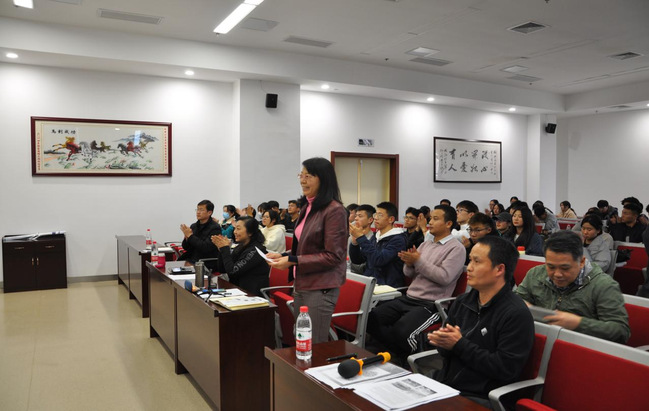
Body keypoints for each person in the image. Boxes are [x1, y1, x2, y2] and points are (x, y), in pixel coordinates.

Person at [428, 236, 534, 407]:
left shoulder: (516, 314)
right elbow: (445, 352)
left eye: (477, 262)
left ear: (499, 269)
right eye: (470, 260)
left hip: (481, 396)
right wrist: (443, 342)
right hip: (447, 385)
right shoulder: (463, 301)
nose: (469, 268)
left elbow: (506, 369)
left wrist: (459, 345)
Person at [268, 157, 347, 344]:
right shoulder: (308, 206)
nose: (302, 181)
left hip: (320, 287)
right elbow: (306, 246)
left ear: (323, 179)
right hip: (302, 282)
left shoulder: (334, 210)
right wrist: (284, 255)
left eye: (308, 176)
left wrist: (293, 261)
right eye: (301, 175)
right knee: (302, 337)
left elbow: (333, 256)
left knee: (314, 342)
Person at [367, 205, 465, 356]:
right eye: (430, 218)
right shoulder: (426, 244)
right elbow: (409, 273)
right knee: (372, 318)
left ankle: (409, 356)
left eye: (435, 219)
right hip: (409, 298)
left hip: (431, 304)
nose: (430, 222)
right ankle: (394, 352)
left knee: (401, 331)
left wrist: (418, 261)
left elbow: (444, 277)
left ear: (449, 223)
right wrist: (409, 263)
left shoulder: (456, 248)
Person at [515, 231, 630, 344]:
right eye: (551, 267)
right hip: (536, 342)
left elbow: (621, 331)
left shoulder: (603, 285)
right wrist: (520, 305)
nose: (557, 274)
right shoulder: (535, 274)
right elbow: (516, 299)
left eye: (565, 268)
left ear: (582, 262)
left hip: (582, 347)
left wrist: (578, 323)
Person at [349, 201, 407, 287]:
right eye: (375, 214)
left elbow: (379, 260)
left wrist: (361, 237)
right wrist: (355, 243)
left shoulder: (398, 240)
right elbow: (357, 260)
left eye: (380, 215)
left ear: (391, 219)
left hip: (387, 287)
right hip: (370, 282)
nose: (375, 218)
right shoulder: (376, 236)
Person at [211, 217, 269, 296]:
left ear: (250, 232)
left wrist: (225, 249)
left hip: (251, 295)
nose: (235, 232)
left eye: (238, 229)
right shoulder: (240, 247)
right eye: (235, 228)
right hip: (237, 290)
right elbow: (223, 269)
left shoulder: (256, 250)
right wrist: (221, 250)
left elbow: (233, 272)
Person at [179, 200, 222, 270]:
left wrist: (190, 236)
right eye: (197, 209)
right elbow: (186, 247)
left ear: (209, 212)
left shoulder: (215, 228)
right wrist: (186, 238)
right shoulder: (194, 226)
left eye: (201, 210)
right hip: (191, 259)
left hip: (205, 262)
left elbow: (205, 248)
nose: (198, 212)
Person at [348, 204, 375, 274]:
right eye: (356, 216)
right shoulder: (350, 236)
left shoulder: (372, 239)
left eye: (360, 216)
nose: (356, 218)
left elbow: (363, 267)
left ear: (370, 220)